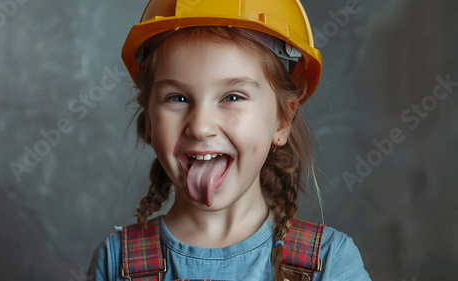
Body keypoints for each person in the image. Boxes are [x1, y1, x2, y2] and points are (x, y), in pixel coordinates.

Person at [88, 0, 371, 280]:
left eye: (232, 97)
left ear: (282, 121)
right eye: (177, 98)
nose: (200, 127)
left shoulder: (331, 262)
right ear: (149, 119)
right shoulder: (116, 262)